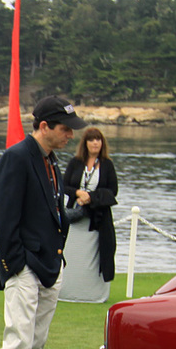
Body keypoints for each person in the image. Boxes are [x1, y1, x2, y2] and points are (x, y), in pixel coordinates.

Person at [0, 95, 84, 349]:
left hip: (50, 265)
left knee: (36, 344)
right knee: (18, 343)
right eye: (65, 129)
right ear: (44, 126)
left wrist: (57, 261)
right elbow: (4, 220)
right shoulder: (16, 158)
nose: (70, 134)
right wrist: (15, 266)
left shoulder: (51, 162)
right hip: (25, 267)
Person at [59, 127, 119, 303]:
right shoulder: (76, 162)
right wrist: (78, 193)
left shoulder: (107, 165)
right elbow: (64, 185)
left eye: (98, 140)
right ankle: (66, 291)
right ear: (85, 143)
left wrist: (91, 197)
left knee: (100, 254)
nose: (95, 143)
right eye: (92, 140)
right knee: (72, 253)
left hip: (98, 218)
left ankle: (95, 294)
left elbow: (112, 191)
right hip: (76, 216)